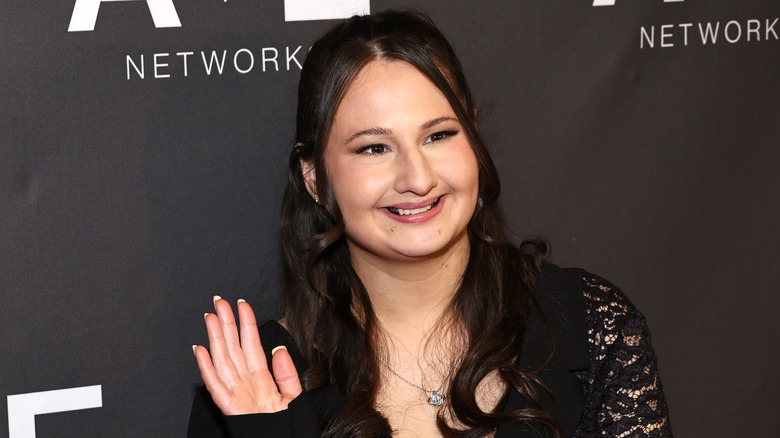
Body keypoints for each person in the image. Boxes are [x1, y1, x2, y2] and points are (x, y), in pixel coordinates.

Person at [188, 10, 672, 438]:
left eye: (439, 135)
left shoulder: (591, 325)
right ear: (314, 177)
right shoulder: (255, 388)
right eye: (374, 148)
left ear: (474, 141)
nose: (418, 179)